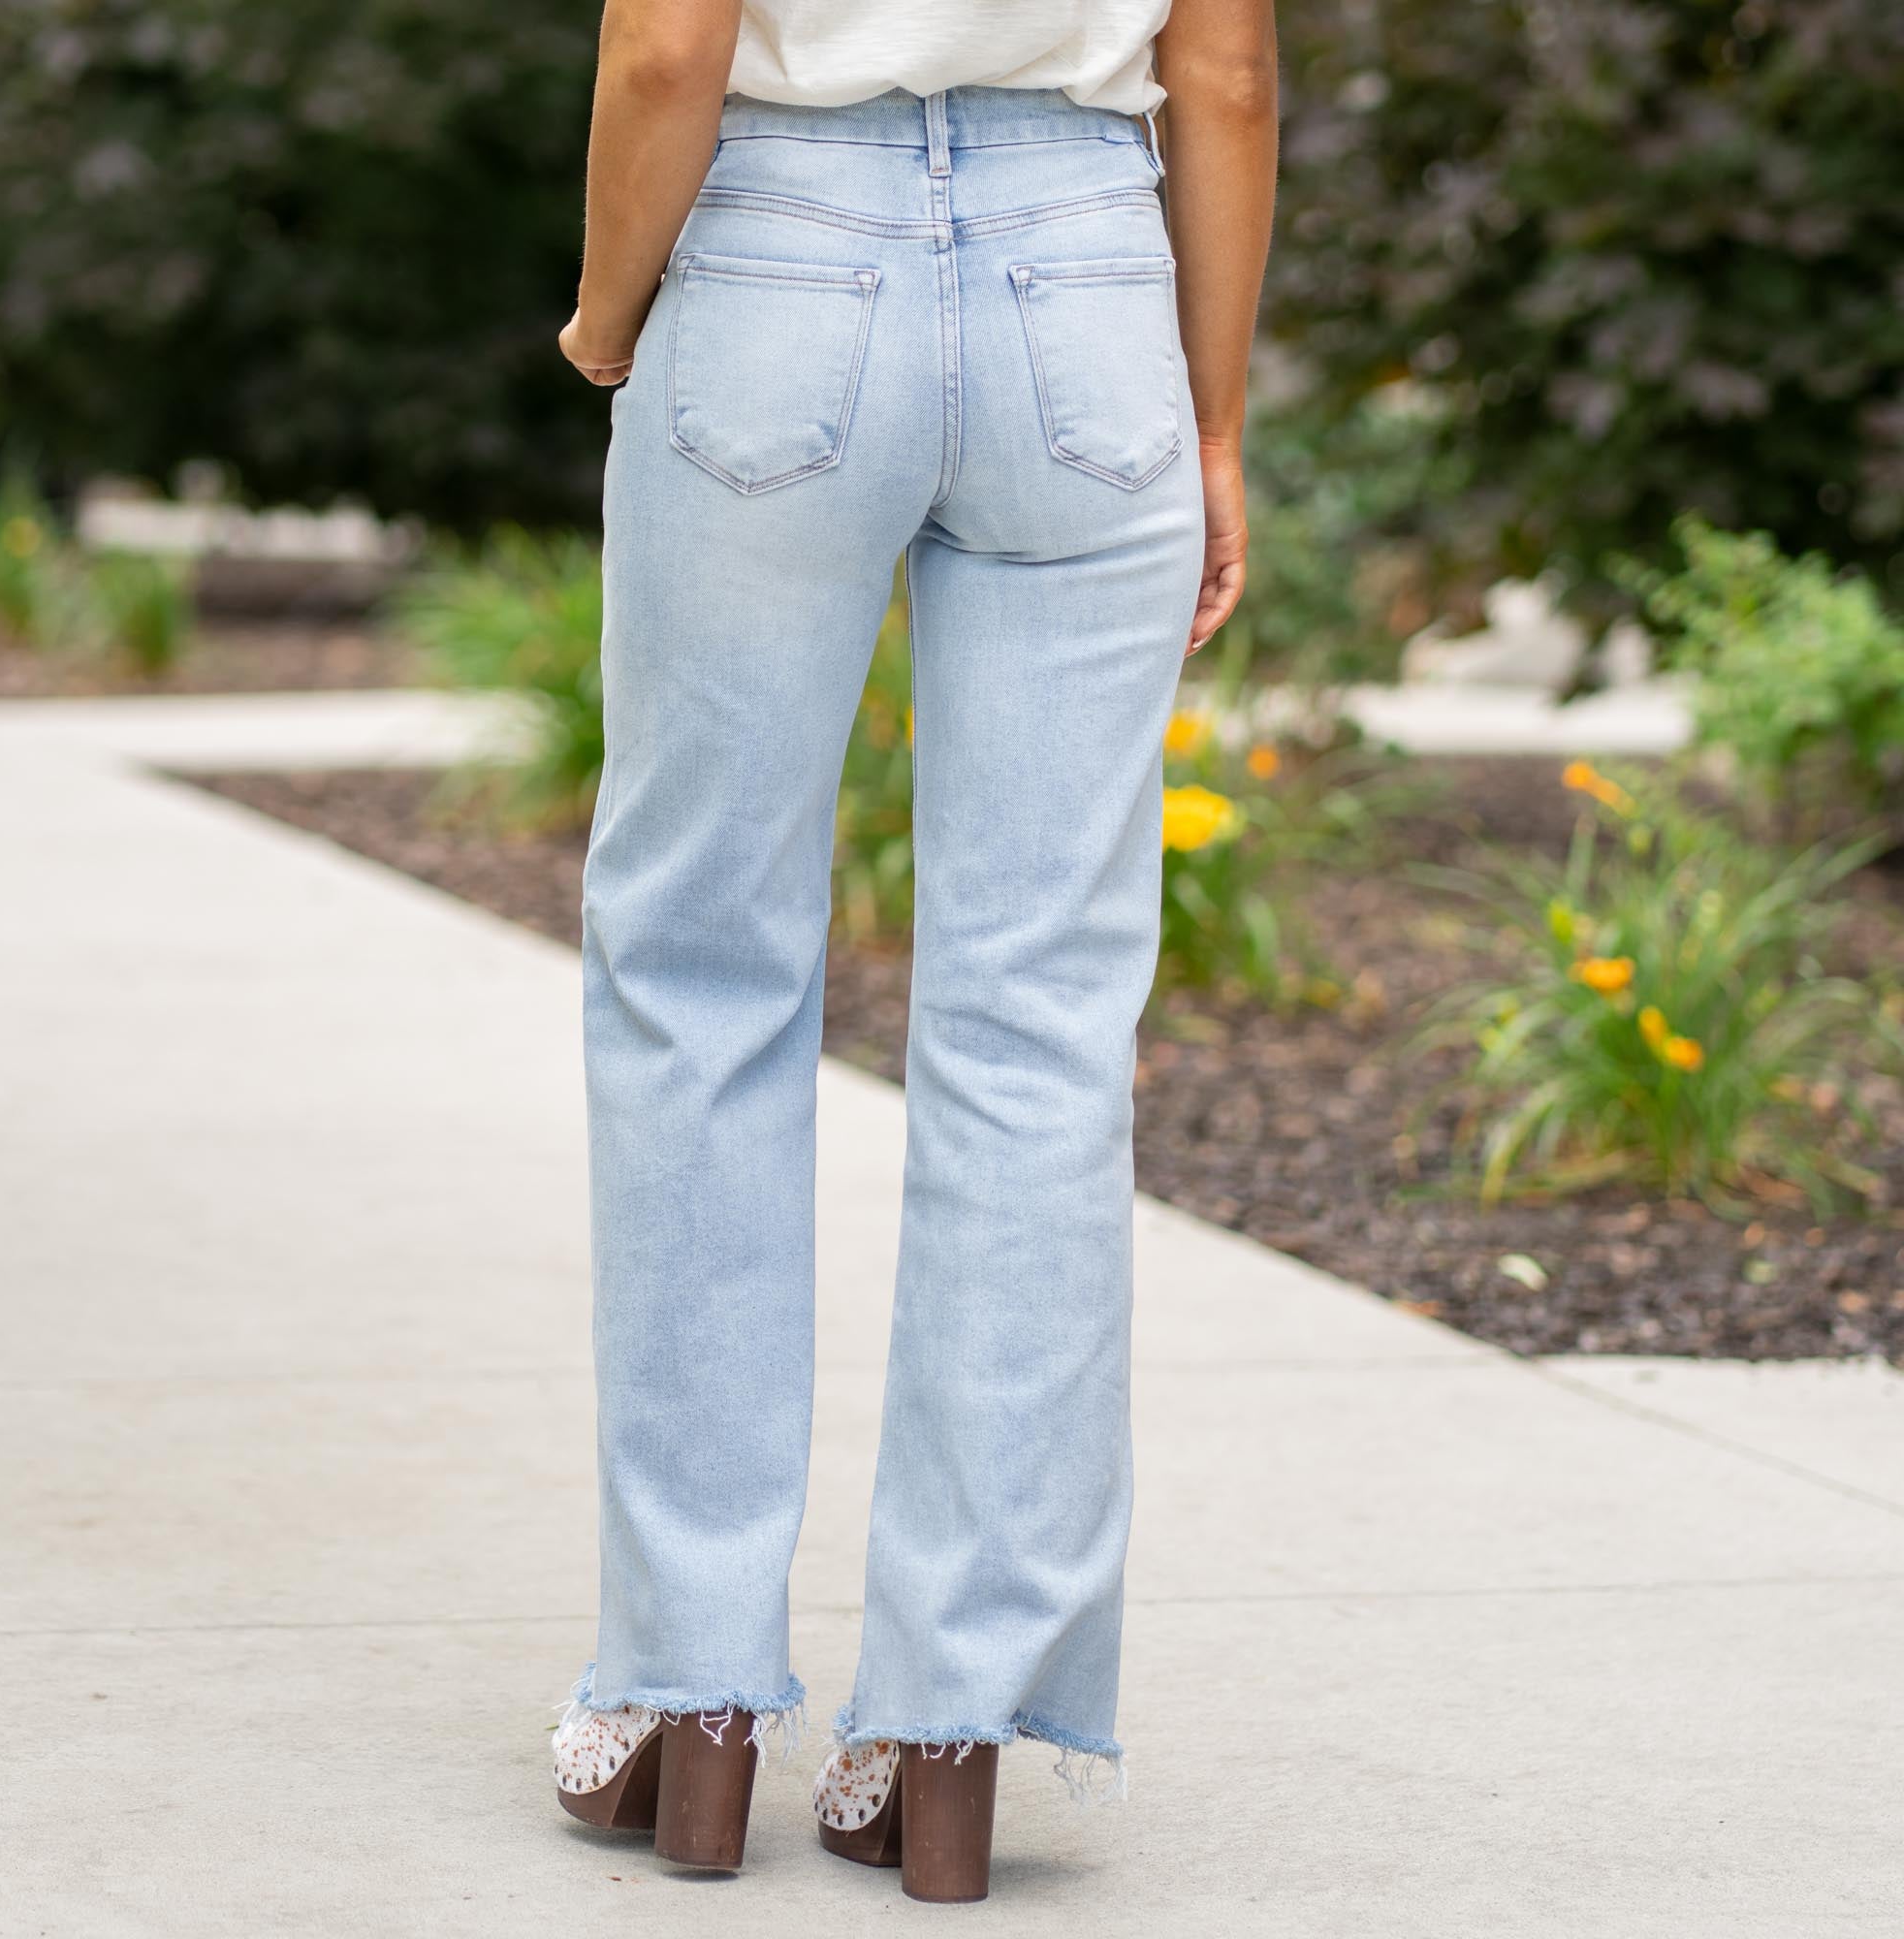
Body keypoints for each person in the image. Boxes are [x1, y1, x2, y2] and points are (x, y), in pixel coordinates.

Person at [548, 0, 1277, 1904]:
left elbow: (667, 50)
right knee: (1040, 1024)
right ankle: (952, 1730)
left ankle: (685, 1696)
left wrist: (610, 319)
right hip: (1091, 288)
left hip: (776, 255)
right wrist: (1211, 421)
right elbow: (1224, 71)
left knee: (698, 983)